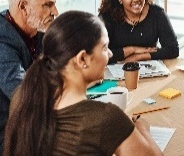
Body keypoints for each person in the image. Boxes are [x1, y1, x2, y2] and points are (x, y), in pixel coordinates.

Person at [4, 10, 163, 156]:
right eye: (104, 47)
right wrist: (142, 130)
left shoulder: (22, 96)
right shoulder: (105, 118)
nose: (110, 53)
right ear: (82, 59)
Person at [0, 0, 58, 154]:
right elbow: (23, 91)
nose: (55, 11)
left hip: (36, 122)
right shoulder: (2, 39)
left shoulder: (38, 30)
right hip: (9, 134)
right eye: (47, 5)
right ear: (23, 7)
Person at [98, 0, 179, 63]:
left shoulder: (157, 13)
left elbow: (173, 49)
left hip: (149, 70)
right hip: (115, 71)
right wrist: (132, 50)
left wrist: (139, 57)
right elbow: (98, 54)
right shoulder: (107, 17)